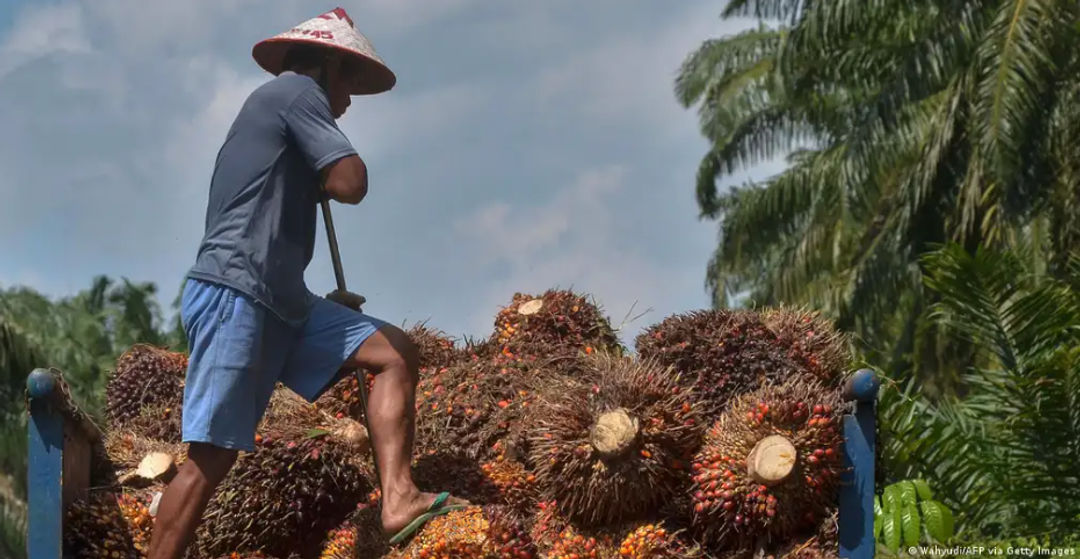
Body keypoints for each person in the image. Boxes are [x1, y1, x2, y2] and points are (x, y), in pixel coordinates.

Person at [147, 8, 465, 559]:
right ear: (326, 66)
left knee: (392, 353)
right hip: (237, 294)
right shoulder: (297, 93)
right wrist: (327, 163)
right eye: (350, 86)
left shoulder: (287, 114)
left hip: (281, 299)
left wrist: (325, 303)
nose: (347, 104)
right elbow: (352, 181)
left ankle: (398, 500)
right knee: (210, 459)